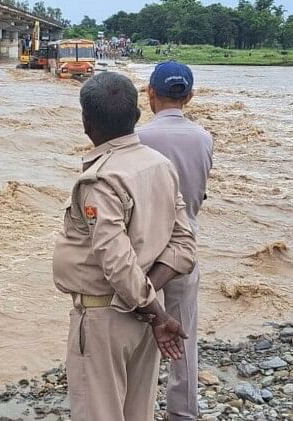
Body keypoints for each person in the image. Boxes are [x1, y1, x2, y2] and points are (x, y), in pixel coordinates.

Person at [52, 72, 197, 421]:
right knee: (138, 412)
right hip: (146, 314)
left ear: (86, 122)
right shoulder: (159, 165)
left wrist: (154, 312)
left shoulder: (100, 180)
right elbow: (184, 245)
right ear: (135, 116)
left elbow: (116, 263)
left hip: (106, 315)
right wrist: (153, 304)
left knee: (99, 412)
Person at [137, 60, 214, 421]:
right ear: (190, 96)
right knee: (183, 329)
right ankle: (183, 411)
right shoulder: (203, 137)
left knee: (141, 327)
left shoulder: (140, 138)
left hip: (144, 248)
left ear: (150, 93)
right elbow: (197, 194)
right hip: (186, 245)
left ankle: (135, 406)